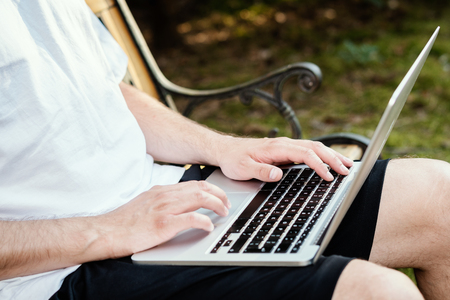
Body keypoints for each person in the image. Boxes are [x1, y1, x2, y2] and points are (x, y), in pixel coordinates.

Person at [1, 0, 449, 299]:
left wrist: (223, 147)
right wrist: (108, 229)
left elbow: (105, 89)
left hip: (163, 198)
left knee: (440, 198)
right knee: (378, 294)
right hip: (54, 272)